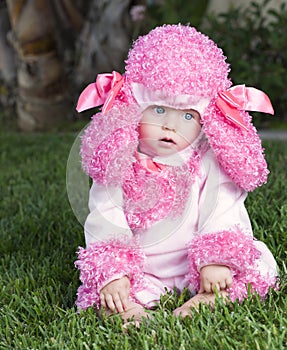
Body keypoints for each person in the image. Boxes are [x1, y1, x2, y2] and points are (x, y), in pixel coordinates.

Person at [74, 24, 278, 323]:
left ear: (206, 119)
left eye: (187, 115)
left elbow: (222, 207)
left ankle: (209, 296)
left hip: (196, 267)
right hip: (142, 271)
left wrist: (216, 261)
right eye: (158, 110)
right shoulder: (120, 157)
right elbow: (105, 216)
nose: (170, 125)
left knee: (259, 263)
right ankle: (130, 311)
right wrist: (115, 274)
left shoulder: (208, 159)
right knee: (104, 293)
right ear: (135, 108)